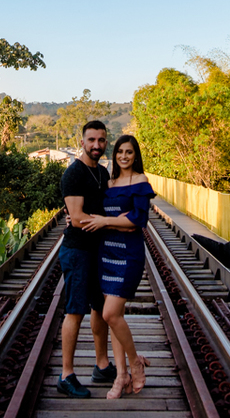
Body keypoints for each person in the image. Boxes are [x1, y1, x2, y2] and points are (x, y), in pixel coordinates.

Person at [80, 134, 156, 398]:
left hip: (129, 255)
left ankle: (135, 363)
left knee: (110, 314)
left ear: (136, 155)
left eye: (129, 152)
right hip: (107, 253)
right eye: (120, 152)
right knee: (115, 318)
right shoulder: (109, 183)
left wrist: (106, 221)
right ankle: (121, 376)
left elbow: (137, 220)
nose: (124, 156)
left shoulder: (141, 182)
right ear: (115, 155)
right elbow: (98, 214)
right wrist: (78, 219)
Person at [56, 120, 114, 398]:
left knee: (100, 307)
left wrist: (104, 221)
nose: (96, 145)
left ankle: (101, 365)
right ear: (82, 141)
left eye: (101, 140)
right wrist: (103, 221)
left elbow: (105, 209)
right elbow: (77, 219)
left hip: (97, 250)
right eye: (91, 140)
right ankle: (66, 374)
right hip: (77, 251)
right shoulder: (74, 174)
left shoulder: (102, 173)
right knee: (75, 310)